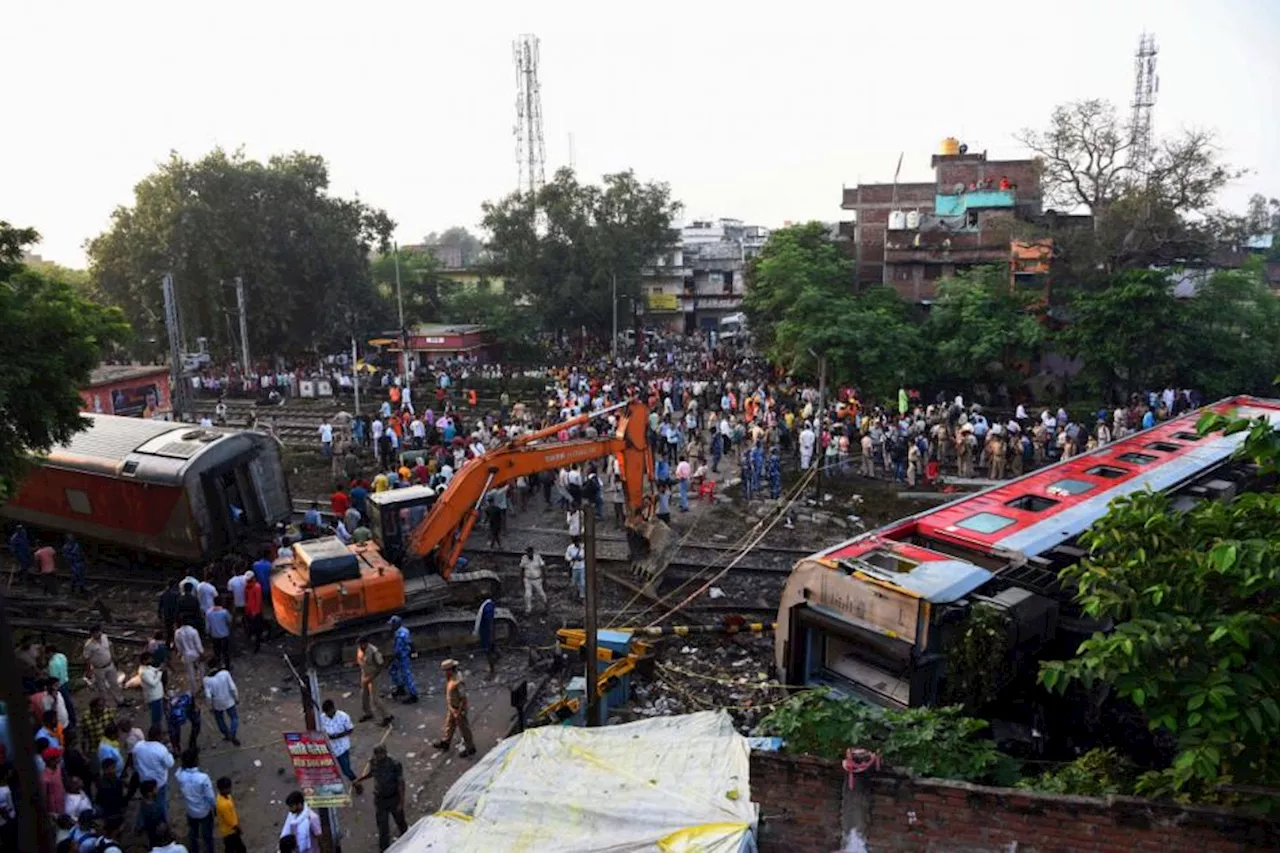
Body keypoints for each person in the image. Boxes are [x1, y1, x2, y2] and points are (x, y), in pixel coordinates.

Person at [354, 745, 406, 852]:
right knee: (383, 827)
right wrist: (359, 779)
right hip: (380, 799)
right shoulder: (373, 762)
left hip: (393, 798)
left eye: (381, 754)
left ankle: (407, 839)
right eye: (377, 754)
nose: (379, 757)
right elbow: (371, 774)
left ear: (385, 753)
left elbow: (401, 784)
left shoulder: (394, 764)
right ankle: (384, 849)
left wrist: (401, 802)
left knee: (400, 821)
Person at [432, 659, 476, 757]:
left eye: (445, 671)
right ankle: (446, 742)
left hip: (458, 708)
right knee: (449, 725)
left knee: (464, 728)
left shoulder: (457, 681)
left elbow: (463, 698)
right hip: (452, 707)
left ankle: (470, 747)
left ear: (450, 670)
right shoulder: (451, 678)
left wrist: (459, 712)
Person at [175, 749, 215, 853]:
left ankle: (194, 849)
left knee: (193, 833)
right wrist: (214, 807)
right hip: (204, 811)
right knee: (207, 836)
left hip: (191, 811)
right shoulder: (203, 778)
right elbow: (210, 797)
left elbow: (179, 770)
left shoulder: (180, 775)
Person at [132, 727, 175, 822]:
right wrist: (170, 751)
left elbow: (134, 760)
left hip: (144, 781)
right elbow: (170, 763)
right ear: (158, 736)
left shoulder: (138, 746)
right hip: (158, 783)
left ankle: (141, 823)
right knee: (161, 803)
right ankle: (163, 822)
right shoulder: (161, 749)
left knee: (145, 802)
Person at [320, 699, 361, 793]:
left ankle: (356, 783)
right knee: (330, 769)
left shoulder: (343, 716)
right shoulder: (322, 717)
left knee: (346, 769)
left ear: (333, 709)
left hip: (342, 748)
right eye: (326, 713)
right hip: (329, 748)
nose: (328, 714)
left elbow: (350, 730)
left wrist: (338, 735)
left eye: (329, 712)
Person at [83, 625, 126, 708]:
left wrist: (113, 657)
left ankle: (120, 701)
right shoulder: (89, 645)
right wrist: (89, 671)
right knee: (102, 688)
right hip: (98, 668)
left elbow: (110, 646)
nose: (98, 634)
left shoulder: (104, 637)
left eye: (99, 632)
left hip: (109, 664)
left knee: (114, 683)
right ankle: (106, 705)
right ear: (92, 634)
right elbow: (86, 658)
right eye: (96, 633)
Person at [355, 636, 394, 726]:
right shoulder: (360, 649)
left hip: (374, 676)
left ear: (366, 643)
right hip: (365, 674)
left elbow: (380, 666)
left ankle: (386, 716)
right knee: (364, 695)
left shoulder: (373, 652)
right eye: (359, 645)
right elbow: (360, 660)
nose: (361, 646)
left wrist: (371, 677)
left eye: (362, 645)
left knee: (375, 699)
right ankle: (368, 713)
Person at [203, 665, 240, 747]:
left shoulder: (206, 680)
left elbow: (208, 696)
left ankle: (226, 734)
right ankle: (232, 733)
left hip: (217, 703)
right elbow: (233, 687)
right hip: (229, 700)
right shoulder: (225, 674)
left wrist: (209, 706)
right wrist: (236, 697)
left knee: (220, 719)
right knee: (234, 717)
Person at [387, 616, 419, 704]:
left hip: (402, 657)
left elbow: (398, 649)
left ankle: (413, 695)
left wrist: (392, 658)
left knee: (406, 675)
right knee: (393, 671)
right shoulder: (404, 630)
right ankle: (400, 687)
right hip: (403, 655)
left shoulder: (400, 634)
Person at [215, 777, 245, 853]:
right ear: (223, 789)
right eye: (228, 788)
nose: (230, 789)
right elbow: (230, 821)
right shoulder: (224, 804)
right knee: (239, 848)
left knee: (231, 847)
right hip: (230, 831)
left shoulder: (222, 797)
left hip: (226, 830)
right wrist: (238, 828)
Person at [167, 690, 202, 755]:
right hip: (179, 715)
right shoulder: (173, 713)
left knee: (196, 724)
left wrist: (195, 707)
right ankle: (177, 748)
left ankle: (188, 745)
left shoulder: (187, 698)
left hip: (187, 709)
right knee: (175, 732)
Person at [173, 621, 204, 695]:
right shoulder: (193, 631)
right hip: (196, 654)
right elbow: (198, 644)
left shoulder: (177, 633)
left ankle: (193, 690)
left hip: (186, 655)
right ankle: (202, 685)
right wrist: (201, 653)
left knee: (190, 674)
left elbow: (178, 646)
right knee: (201, 670)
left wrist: (180, 653)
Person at [205, 596, 233, 670]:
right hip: (224, 635)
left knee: (217, 652)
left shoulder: (209, 612)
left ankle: (218, 666)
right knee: (226, 652)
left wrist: (208, 633)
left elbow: (207, 626)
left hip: (214, 635)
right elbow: (230, 620)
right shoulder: (224, 612)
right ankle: (227, 667)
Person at [474, 598, 498, 677]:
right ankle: (497, 657)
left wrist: (491, 636)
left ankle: (492, 671)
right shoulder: (487, 605)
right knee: (492, 648)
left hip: (487, 633)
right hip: (487, 632)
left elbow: (490, 622)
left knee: (488, 651)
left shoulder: (487, 607)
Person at [520, 546, 548, 615]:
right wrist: (521, 579)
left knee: (541, 594)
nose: (528, 554)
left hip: (537, 579)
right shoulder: (524, 558)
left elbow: (543, 568)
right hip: (527, 579)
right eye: (527, 552)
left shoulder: (537, 557)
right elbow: (521, 569)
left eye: (529, 552)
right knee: (528, 595)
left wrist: (544, 579)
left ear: (532, 552)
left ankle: (546, 607)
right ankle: (528, 610)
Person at [242, 572, 265, 654]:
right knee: (252, 627)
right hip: (251, 611)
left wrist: (255, 611)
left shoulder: (255, 587)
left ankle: (256, 644)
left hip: (254, 611)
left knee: (256, 628)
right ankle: (254, 642)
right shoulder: (250, 586)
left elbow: (258, 600)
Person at [565, 535, 585, 601]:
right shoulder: (570, 548)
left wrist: (581, 558)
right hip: (574, 567)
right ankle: (574, 595)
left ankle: (582, 596)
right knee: (574, 582)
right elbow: (566, 557)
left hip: (582, 566)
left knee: (582, 582)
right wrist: (572, 558)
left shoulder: (583, 547)